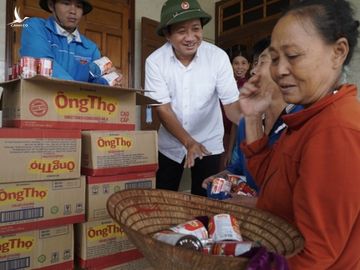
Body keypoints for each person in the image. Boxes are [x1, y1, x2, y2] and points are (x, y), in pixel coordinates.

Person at [239, 0, 360, 268]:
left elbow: (314, 256)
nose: (279, 70)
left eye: (293, 55)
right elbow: (272, 183)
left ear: (338, 52)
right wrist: (251, 116)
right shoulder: (309, 114)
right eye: (274, 57)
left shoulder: (335, 130)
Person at [145, 0, 242, 196]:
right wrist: (188, 142)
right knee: (165, 198)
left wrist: (253, 127)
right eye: (181, 31)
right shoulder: (155, 62)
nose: (191, 38)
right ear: (167, 34)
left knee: (205, 202)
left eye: (196, 29)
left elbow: (231, 103)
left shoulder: (217, 57)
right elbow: (162, 109)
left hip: (209, 142)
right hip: (170, 145)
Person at [202, 37, 302, 194]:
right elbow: (240, 167)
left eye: (262, 63)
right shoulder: (246, 121)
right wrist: (222, 176)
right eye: (255, 64)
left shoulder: (301, 120)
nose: (254, 71)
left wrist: (257, 204)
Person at [20, 0, 121, 85]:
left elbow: (95, 83)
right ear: (51, 5)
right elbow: (42, 66)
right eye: (66, 3)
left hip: (76, 105)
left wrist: (111, 79)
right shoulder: (35, 27)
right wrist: (77, 91)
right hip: (43, 103)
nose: (73, 11)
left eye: (78, 6)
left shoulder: (90, 47)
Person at [221, 53, 250, 169]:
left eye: (243, 63)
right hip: (221, 130)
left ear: (249, 65)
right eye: (236, 63)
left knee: (229, 165)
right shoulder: (226, 83)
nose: (239, 67)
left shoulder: (249, 86)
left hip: (235, 132)